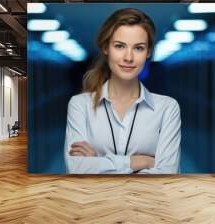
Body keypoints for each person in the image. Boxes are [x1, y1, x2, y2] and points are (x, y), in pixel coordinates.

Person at [64, 8, 181, 174]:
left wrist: (98, 163)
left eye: (138, 48)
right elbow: (76, 168)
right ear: (106, 48)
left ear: (148, 52)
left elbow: (167, 173)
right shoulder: (80, 105)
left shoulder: (167, 108)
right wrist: (141, 162)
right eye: (119, 46)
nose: (128, 57)